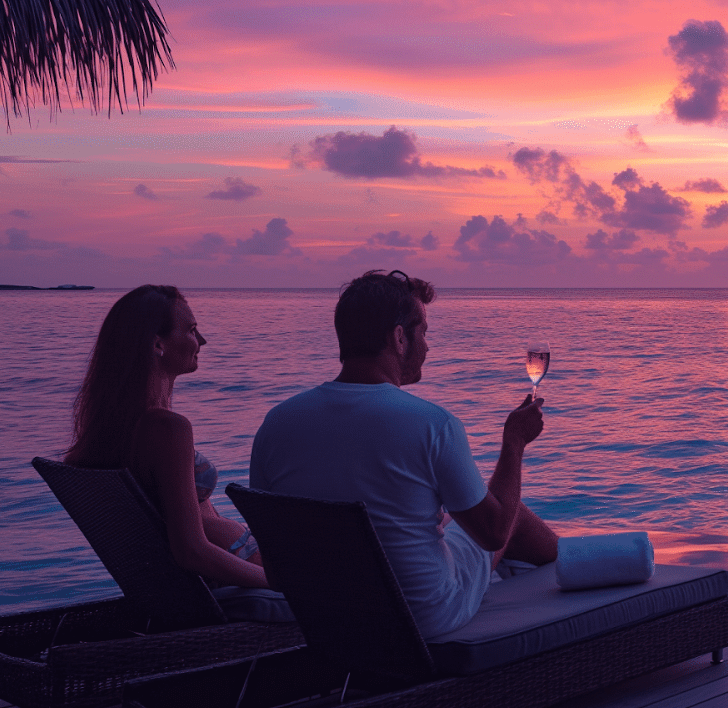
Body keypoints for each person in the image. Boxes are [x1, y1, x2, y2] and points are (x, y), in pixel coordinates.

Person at [250, 270, 558, 638]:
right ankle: (589, 577)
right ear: (399, 338)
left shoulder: (276, 424)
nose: (428, 346)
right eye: (424, 332)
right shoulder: (430, 424)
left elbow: (276, 569)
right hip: (423, 615)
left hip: (327, 619)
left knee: (444, 520)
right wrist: (514, 443)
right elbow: (493, 534)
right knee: (511, 516)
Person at [65, 285, 288, 620]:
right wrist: (278, 584)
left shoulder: (108, 433)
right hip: (237, 572)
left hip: (215, 574)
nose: (203, 341)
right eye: (192, 331)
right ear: (158, 343)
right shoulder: (167, 429)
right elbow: (191, 551)